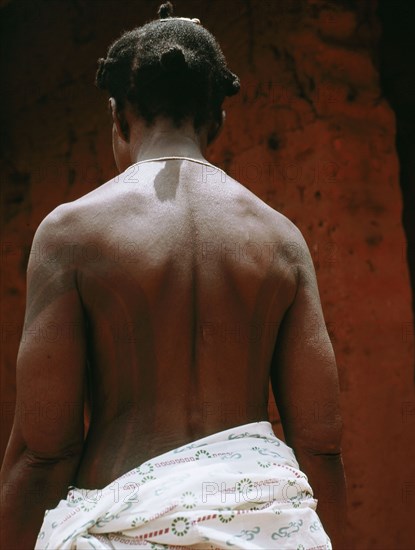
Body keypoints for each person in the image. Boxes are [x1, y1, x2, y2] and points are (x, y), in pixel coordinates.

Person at [0, 2, 347, 548]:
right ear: (218, 119)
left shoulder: (70, 235)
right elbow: (321, 441)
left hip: (121, 531)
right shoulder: (282, 240)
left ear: (117, 117)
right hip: (269, 531)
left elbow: (44, 451)